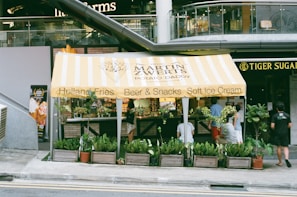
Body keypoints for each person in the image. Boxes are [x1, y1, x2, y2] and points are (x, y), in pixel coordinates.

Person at [271, 102, 292, 168]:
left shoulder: (275, 116)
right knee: (285, 147)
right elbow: (290, 125)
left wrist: (275, 129)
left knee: (279, 147)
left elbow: (272, 126)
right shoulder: (287, 115)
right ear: (283, 108)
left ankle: (280, 162)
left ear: (277, 109)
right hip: (285, 133)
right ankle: (286, 158)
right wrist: (285, 128)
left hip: (277, 133)